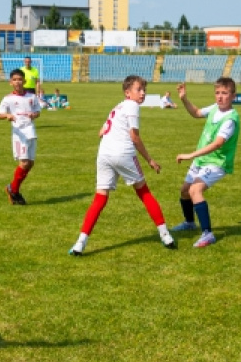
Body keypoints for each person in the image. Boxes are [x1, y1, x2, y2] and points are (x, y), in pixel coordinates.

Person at [68, 75, 176, 256]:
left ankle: (80, 242)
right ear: (127, 93)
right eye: (138, 90)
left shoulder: (117, 107)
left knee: (100, 199)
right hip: (122, 153)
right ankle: (165, 235)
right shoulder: (132, 106)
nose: (142, 93)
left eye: (144, 90)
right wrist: (150, 160)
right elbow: (134, 137)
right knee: (144, 192)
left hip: (104, 154)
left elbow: (100, 131)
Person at [171, 77, 240, 248]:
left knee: (195, 190)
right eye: (217, 93)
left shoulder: (231, 119)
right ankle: (189, 223)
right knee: (185, 191)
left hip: (217, 162)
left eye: (224, 93)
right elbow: (196, 113)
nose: (220, 97)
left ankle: (208, 234)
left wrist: (190, 155)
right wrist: (184, 98)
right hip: (202, 160)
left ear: (233, 96)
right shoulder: (215, 108)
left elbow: (217, 144)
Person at [0, 69, 42, 205]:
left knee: (30, 163)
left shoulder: (31, 97)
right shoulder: (8, 99)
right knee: (23, 163)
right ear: (10, 82)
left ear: (24, 81)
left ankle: (12, 189)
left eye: (19, 79)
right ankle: (14, 190)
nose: (17, 82)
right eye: (15, 80)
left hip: (31, 131)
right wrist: (8, 115)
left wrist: (34, 115)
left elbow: (38, 111)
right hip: (19, 133)